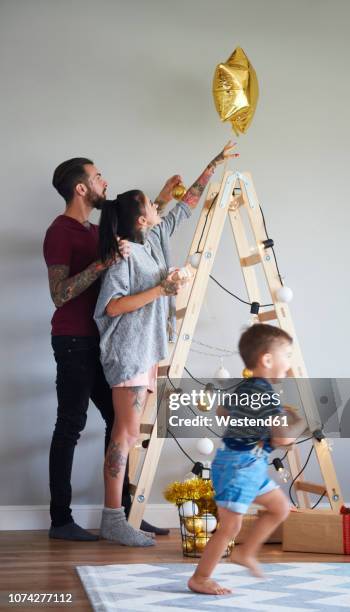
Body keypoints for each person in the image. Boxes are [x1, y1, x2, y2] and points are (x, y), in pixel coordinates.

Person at [94, 141, 239, 547]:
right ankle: (112, 518)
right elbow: (112, 306)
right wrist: (162, 289)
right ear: (141, 218)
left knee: (131, 434)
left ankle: (123, 516)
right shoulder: (124, 256)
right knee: (123, 435)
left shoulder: (153, 240)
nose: (160, 207)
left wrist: (213, 163)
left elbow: (185, 206)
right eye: (151, 205)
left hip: (148, 349)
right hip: (127, 352)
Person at [43, 157, 180, 541]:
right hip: (75, 341)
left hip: (109, 342)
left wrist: (162, 201)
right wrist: (104, 264)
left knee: (120, 427)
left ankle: (122, 511)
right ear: (81, 188)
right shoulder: (61, 231)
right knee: (71, 424)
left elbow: (136, 220)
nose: (105, 180)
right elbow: (59, 294)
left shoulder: (98, 228)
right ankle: (61, 520)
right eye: (97, 176)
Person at [188, 323, 307, 595]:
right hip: (239, 467)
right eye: (286, 355)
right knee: (230, 527)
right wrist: (301, 423)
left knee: (279, 507)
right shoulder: (266, 395)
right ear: (267, 359)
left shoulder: (245, 387)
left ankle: (247, 553)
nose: (289, 364)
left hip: (246, 466)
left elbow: (221, 412)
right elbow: (282, 440)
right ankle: (200, 578)